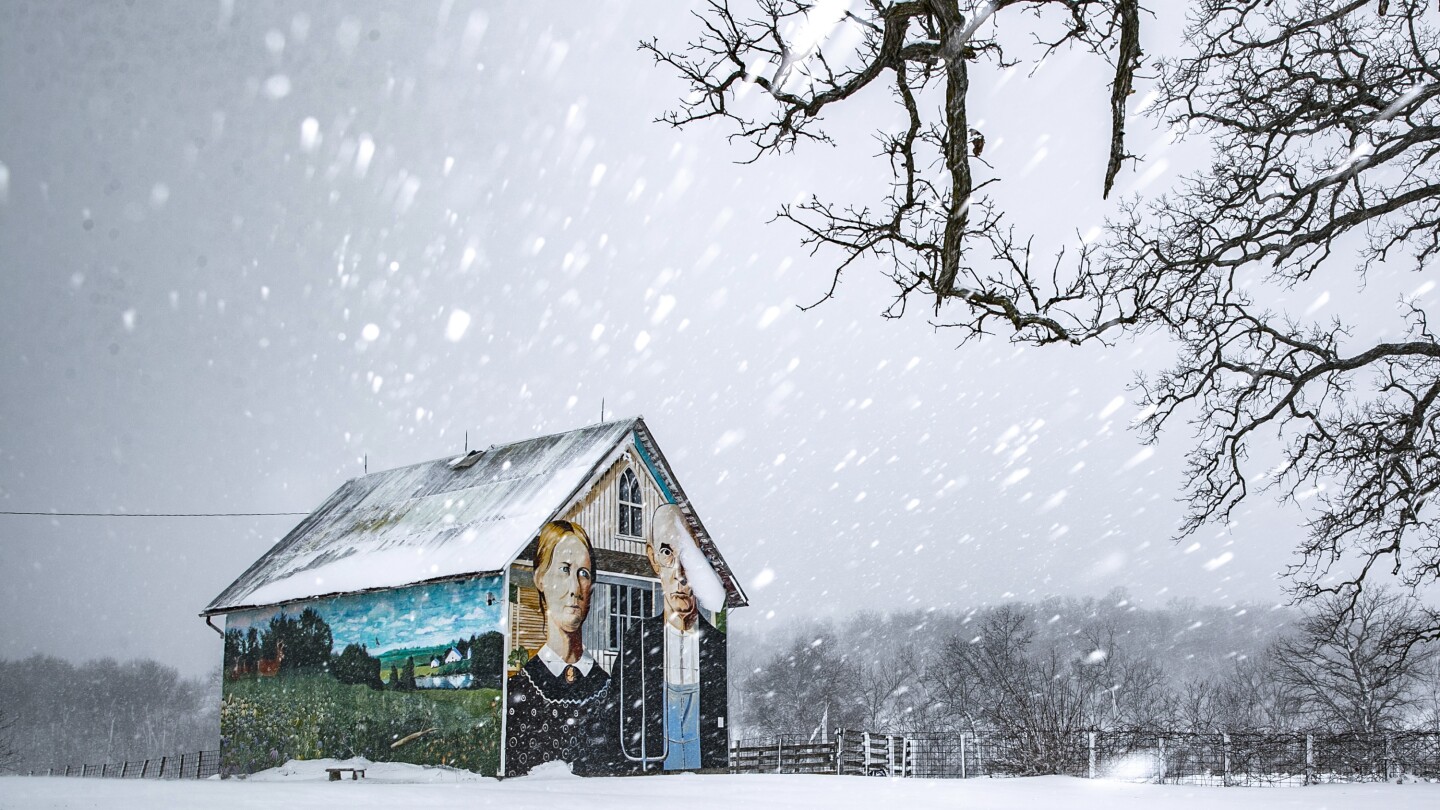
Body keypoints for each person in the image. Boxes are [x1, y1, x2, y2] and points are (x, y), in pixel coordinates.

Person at [614, 504, 728, 771]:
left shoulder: (717, 648)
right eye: (667, 553)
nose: (679, 572)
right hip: (654, 779)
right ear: (653, 558)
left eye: (687, 556)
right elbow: (619, 716)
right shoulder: (637, 642)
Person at [504, 520, 615, 776]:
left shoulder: (609, 690)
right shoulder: (518, 695)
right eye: (564, 570)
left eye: (584, 574)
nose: (575, 589)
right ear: (541, 578)